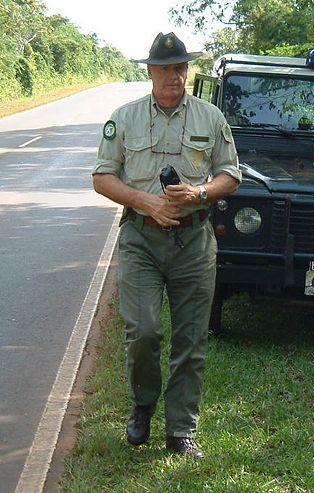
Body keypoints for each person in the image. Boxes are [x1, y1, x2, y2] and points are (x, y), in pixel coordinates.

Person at [92, 32, 241, 459]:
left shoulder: (211, 117)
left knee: (191, 340)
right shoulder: (125, 117)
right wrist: (145, 202)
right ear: (150, 72)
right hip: (141, 237)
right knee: (143, 330)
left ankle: (180, 431)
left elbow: (231, 175)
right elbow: (102, 177)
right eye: (165, 69)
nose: (174, 76)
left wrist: (199, 194)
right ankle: (143, 405)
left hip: (194, 240)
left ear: (187, 70)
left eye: (180, 67)